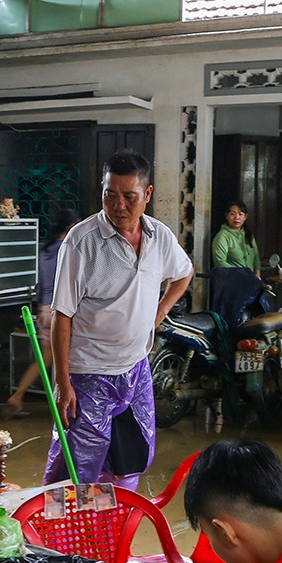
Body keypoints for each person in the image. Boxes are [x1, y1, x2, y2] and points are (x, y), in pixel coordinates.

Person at [46, 150, 194, 488]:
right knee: (74, 468)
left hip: (136, 368)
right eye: (110, 194)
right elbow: (62, 315)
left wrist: (160, 312)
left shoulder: (160, 237)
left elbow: (184, 274)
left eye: (129, 196)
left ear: (148, 195)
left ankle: (115, 529)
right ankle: (64, 536)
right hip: (88, 375)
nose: (119, 205)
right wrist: (63, 382)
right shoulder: (80, 242)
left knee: (131, 459)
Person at [6, 207, 74, 418]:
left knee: (46, 358)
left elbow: (41, 284)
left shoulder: (46, 250)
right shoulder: (67, 250)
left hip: (44, 309)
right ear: (71, 226)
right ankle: (62, 403)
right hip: (60, 310)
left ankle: (18, 395)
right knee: (61, 359)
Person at [211, 202, 261, 273]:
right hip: (232, 281)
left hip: (250, 280)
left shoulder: (248, 234)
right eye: (232, 214)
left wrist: (257, 275)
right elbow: (220, 262)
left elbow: (256, 258)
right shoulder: (222, 237)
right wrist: (240, 274)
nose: (237, 217)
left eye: (240, 214)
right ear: (226, 216)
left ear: (245, 217)